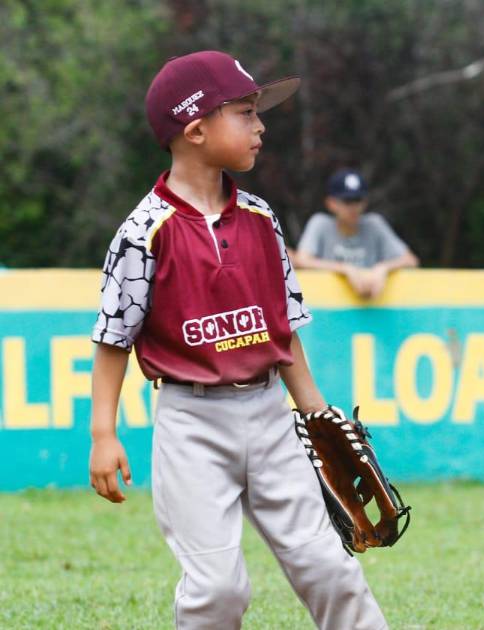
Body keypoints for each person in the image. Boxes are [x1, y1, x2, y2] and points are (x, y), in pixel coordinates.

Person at [87, 50, 387, 629]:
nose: (260, 126)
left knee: (330, 568)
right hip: (192, 424)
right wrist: (104, 434)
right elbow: (113, 338)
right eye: (245, 113)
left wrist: (316, 413)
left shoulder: (260, 218)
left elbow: (284, 326)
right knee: (218, 589)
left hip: (270, 414)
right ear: (195, 129)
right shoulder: (143, 231)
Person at [292, 168, 418, 299]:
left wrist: (383, 268)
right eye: (347, 201)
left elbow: (410, 260)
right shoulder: (320, 223)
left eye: (357, 200)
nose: (354, 207)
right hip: (328, 303)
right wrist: (345, 269)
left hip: (370, 305)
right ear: (331, 203)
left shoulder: (374, 224)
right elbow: (301, 261)